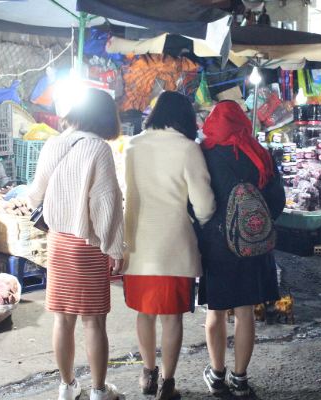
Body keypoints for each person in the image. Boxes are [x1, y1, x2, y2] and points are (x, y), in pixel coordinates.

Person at [28, 88, 125, 400]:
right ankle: (98, 390)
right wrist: (116, 247)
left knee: (63, 319)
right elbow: (106, 205)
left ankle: (67, 387)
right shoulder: (99, 149)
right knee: (94, 322)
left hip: (57, 244)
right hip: (88, 246)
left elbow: (35, 193)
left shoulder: (54, 143)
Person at [122, 91, 216, 400]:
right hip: (174, 245)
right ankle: (167, 383)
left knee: (144, 312)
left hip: (137, 243)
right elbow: (204, 205)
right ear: (185, 117)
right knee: (171, 317)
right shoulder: (188, 148)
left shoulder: (132, 145)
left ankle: (147, 374)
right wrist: (201, 225)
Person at [197, 101, 285, 397]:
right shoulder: (260, 152)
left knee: (216, 311)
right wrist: (254, 224)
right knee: (246, 312)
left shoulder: (205, 154)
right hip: (254, 245)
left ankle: (217, 375)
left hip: (217, 245)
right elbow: (278, 200)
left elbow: (197, 201)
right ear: (242, 121)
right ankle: (241, 378)